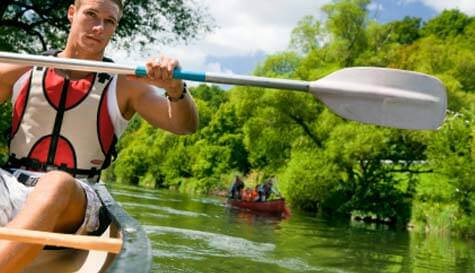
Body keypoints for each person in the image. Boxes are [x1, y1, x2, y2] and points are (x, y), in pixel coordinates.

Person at [0, 0, 198, 271]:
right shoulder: (21, 69)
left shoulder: (125, 84)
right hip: (10, 183)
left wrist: (176, 88)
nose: (98, 27)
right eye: (91, 14)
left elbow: (184, 125)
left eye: (109, 21)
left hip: (75, 197)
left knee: (56, 183)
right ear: (72, 13)